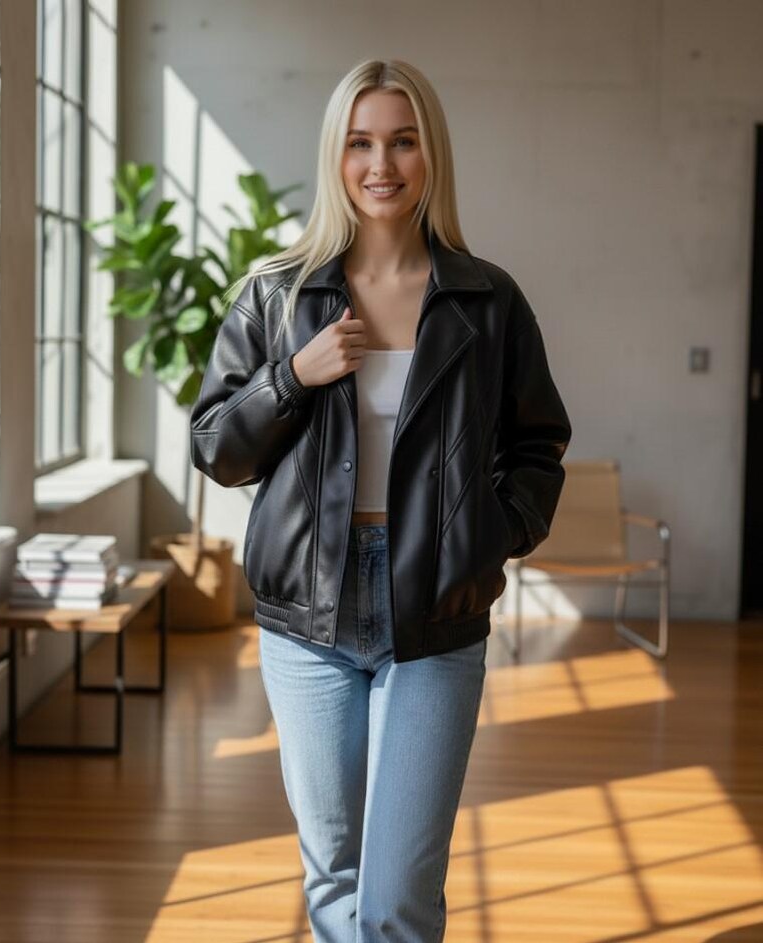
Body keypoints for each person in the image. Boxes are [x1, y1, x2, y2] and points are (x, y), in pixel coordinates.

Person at [190, 58, 572, 943]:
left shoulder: (485, 301)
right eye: (361, 142)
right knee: (334, 879)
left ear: (429, 153)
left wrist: (488, 537)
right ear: (336, 154)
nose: (381, 164)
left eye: (402, 141)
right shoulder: (278, 295)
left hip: (435, 612)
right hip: (306, 621)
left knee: (398, 892)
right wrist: (294, 374)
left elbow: (537, 444)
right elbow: (216, 447)